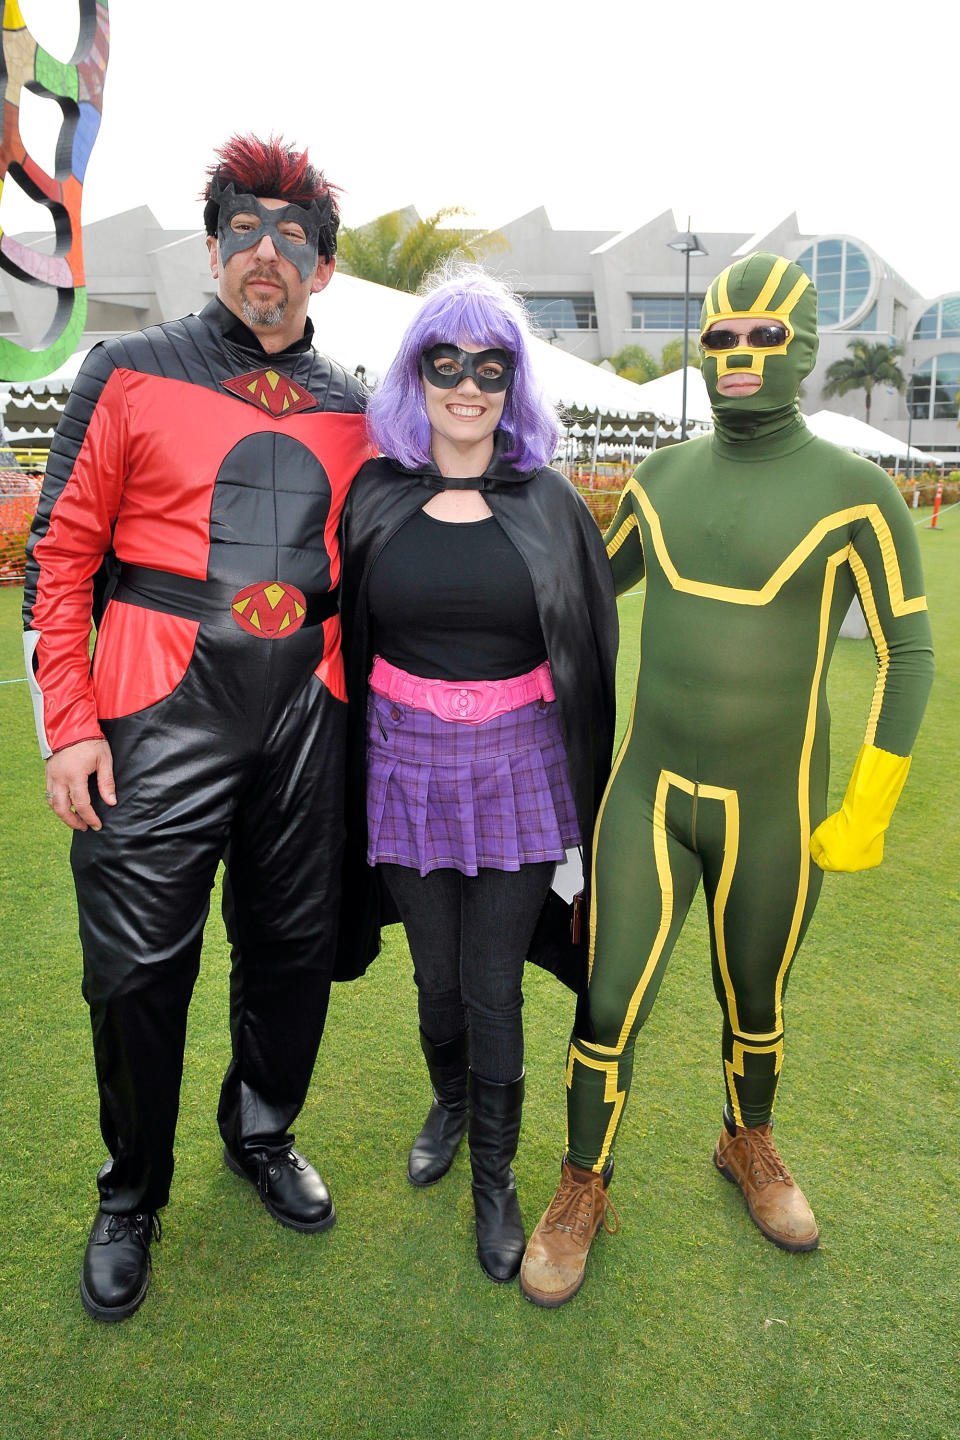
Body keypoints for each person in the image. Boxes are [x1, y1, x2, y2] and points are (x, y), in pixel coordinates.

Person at [520, 251, 934, 1307]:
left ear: (802, 349)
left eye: (763, 339)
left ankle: (746, 1143)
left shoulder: (859, 493)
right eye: (721, 338)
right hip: (648, 797)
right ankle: (581, 1187)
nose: (740, 357)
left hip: (774, 812)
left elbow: (908, 651)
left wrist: (871, 802)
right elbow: (571, 597)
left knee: (755, 1001)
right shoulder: (660, 481)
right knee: (606, 1006)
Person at [22, 134, 370, 1321]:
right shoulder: (127, 369)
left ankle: (262, 1132)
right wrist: (68, 726)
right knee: (132, 975)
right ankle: (131, 1190)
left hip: (306, 719)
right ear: (213, 245)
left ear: (320, 268)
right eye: (243, 231)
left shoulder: (362, 409)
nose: (264, 253)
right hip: (152, 712)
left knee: (291, 953)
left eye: (291, 238)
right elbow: (60, 555)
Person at [339, 268, 618, 1283]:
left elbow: (593, 648)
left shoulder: (549, 502)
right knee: (436, 978)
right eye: (444, 364)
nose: (466, 387)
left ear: (513, 384)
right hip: (402, 770)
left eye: (489, 368)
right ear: (415, 376)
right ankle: (450, 1103)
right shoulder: (374, 494)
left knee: (494, 985)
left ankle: (493, 1181)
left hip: (517, 771)